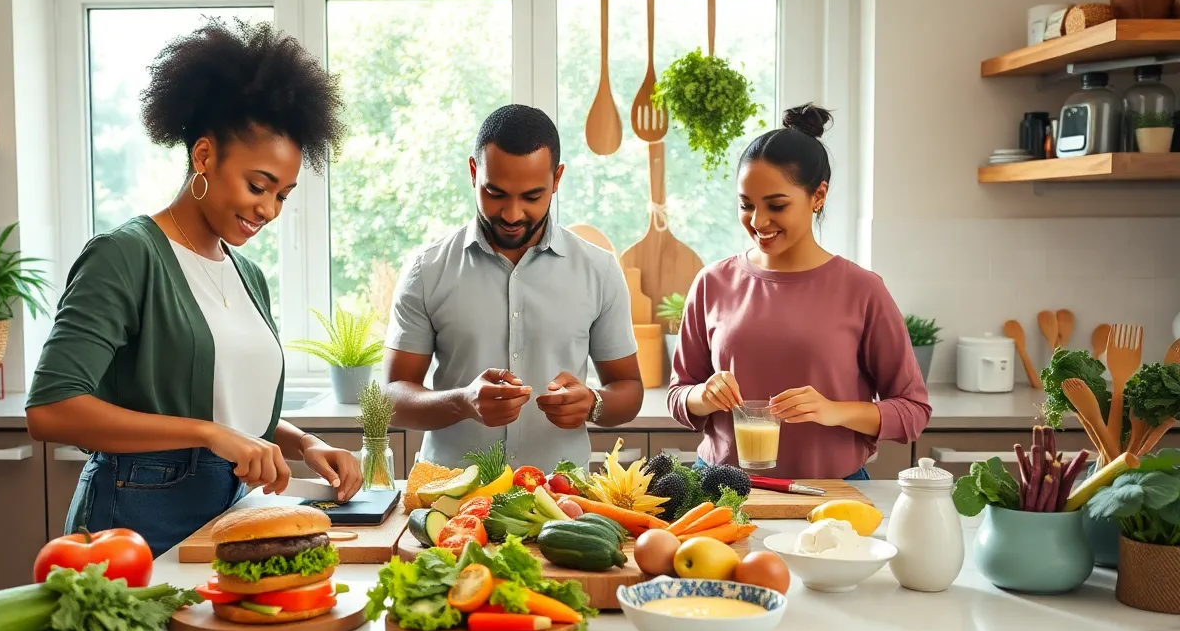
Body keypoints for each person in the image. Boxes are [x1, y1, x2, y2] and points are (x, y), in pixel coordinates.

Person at [25, 18, 361, 557]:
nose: (269, 210)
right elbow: (52, 409)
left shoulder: (246, 274)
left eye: (283, 195)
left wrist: (304, 444)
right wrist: (206, 434)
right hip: (134, 520)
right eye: (258, 186)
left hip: (234, 510)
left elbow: (234, 412)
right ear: (203, 157)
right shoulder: (127, 255)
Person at [667, 104, 931, 480]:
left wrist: (833, 410)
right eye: (746, 205)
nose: (758, 221)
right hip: (722, 488)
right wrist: (702, 398)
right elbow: (680, 393)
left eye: (776, 205)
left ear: (818, 195)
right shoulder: (713, 282)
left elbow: (913, 410)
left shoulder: (862, 290)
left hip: (831, 491)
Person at [383, 104, 644, 472]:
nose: (511, 214)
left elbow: (628, 388)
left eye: (532, 197)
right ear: (474, 172)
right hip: (451, 498)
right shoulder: (427, 269)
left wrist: (593, 404)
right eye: (496, 192)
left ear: (557, 180)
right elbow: (392, 396)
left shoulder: (599, 270)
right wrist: (462, 401)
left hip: (560, 499)